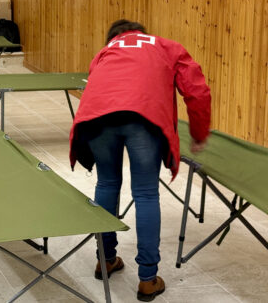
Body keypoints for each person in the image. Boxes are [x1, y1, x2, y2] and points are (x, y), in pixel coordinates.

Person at [69, 20, 211, 302]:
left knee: (107, 183)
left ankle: (105, 260)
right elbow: (197, 91)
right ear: (141, 33)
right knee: (146, 194)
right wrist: (199, 133)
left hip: (98, 117)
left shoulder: (105, 51)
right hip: (144, 118)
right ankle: (148, 280)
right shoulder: (167, 47)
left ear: (113, 37)